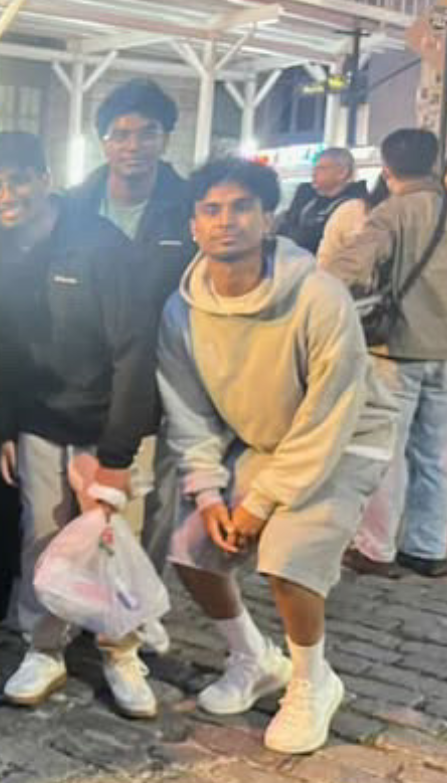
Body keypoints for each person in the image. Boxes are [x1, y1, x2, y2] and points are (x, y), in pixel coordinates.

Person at [160, 158, 393, 754]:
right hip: (261, 441)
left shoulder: (318, 295)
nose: (226, 221)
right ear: (194, 225)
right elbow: (187, 409)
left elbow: (330, 410)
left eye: (241, 208)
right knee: (191, 548)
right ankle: (252, 657)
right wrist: (210, 492)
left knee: (290, 557)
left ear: (268, 219)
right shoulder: (181, 310)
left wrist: (261, 502)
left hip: (343, 441)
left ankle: (313, 681)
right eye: (211, 210)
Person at [0, 132, 160, 720]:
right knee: (43, 538)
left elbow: (134, 351)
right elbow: (0, 352)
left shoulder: (100, 245)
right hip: (37, 423)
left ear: (44, 179)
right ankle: (44, 646)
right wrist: (3, 426)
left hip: (108, 423)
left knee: (112, 540)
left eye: (18, 180)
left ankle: (121, 650)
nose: (8, 195)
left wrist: (116, 453)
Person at [63, 78, 195, 574]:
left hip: (169, 373)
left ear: (165, 138)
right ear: (103, 141)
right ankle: (83, 596)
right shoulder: (74, 206)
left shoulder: (189, 208)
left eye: (146, 133)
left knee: (160, 499)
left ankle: (142, 601)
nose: (132, 146)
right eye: (120, 134)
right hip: (86, 376)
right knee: (88, 496)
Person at [326, 129, 447, 577]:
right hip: (444, 353)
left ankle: (375, 547)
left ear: (388, 167)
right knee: (435, 454)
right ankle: (429, 547)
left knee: (385, 451)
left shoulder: (392, 213)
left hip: (397, 349)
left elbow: (349, 267)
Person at [277, 147, 368, 266]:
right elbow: (283, 229)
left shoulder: (356, 206)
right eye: (314, 168)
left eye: (322, 169)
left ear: (342, 173)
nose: (314, 173)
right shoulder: (306, 195)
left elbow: (316, 240)